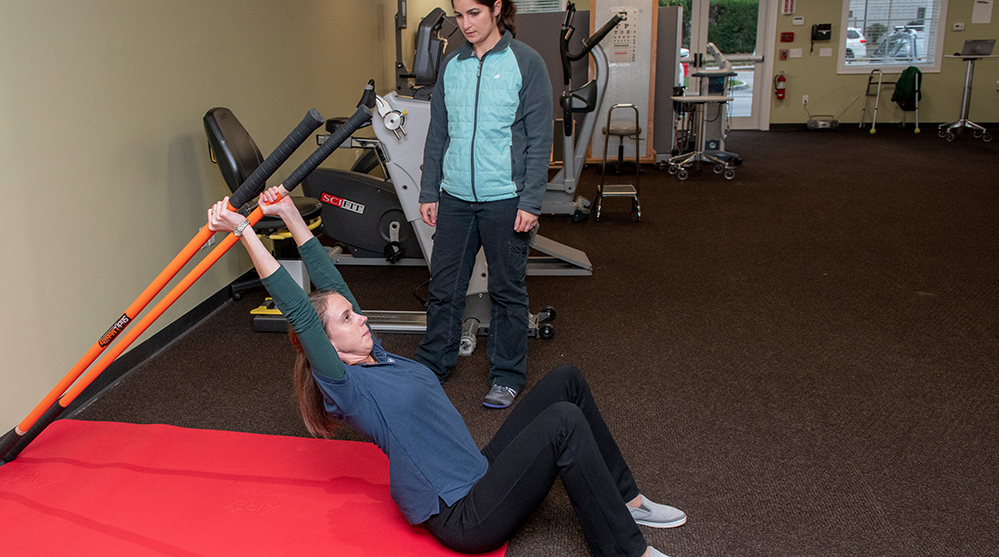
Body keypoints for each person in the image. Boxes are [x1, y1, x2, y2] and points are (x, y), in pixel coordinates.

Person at [206, 187, 687, 557]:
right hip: (465, 515)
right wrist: (243, 231)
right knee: (563, 424)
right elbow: (301, 311)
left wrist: (289, 214)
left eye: (355, 312)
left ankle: (626, 499)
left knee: (566, 379)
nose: (362, 316)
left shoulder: (377, 356)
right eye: (348, 319)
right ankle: (628, 550)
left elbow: (331, 288)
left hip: (478, 473)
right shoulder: (348, 386)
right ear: (326, 346)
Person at [417, 0, 553, 408]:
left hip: (505, 198)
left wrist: (531, 200)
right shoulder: (453, 66)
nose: (466, 23)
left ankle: (507, 375)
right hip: (455, 196)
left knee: (507, 291)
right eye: (459, 15)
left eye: (474, 12)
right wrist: (428, 191)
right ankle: (434, 364)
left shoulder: (526, 62)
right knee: (444, 286)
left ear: (496, 8)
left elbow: (539, 140)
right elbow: (438, 134)